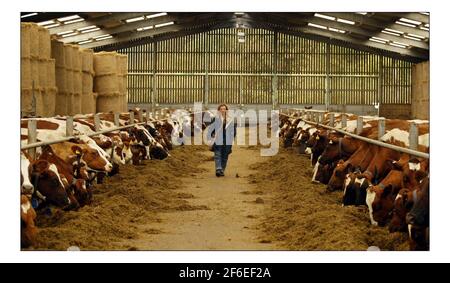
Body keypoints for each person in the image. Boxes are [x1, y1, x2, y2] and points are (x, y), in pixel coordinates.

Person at [207, 104, 237, 177]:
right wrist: (211, 135)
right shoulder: (215, 119)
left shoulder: (230, 119)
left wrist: (232, 138)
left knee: (225, 155)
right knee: (217, 153)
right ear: (219, 110)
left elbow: (234, 130)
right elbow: (210, 129)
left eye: (224, 109)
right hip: (218, 138)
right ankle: (218, 168)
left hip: (228, 139)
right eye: (221, 109)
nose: (223, 110)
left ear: (227, 110)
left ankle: (222, 170)